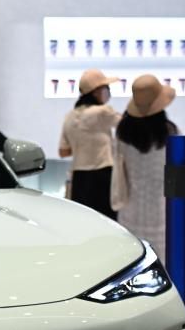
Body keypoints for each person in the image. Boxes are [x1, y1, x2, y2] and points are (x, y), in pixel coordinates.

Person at [111, 74, 178, 260]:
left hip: (129, 210)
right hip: (162, 212)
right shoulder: (170, 132)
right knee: (161, 264)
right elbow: (178, 175)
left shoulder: (123, 132)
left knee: (132, 263)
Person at [59, 69, 122, 219]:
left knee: (83, 222)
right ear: (96, 92)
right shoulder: (103, 111)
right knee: (108, 222)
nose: (108, 91)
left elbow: (63, 151)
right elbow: (127, 126)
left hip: (79, 179)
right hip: (103, 176)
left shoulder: (69, 116)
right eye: (106, 88)